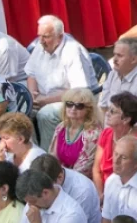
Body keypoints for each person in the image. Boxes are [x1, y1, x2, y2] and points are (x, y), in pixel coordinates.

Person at [25, 15, 98, 151]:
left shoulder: (72, 51)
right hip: (43, 97)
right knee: (23, 108)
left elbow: (78, 92)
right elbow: (31, 74)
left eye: (46, 36)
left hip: (75, 101)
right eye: (39, 36)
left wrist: (46, 101)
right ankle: (32, 152)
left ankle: (48, 158)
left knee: (45, 114)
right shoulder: (40, 46)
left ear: (59, 37)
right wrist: (32, 95)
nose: (41, 41)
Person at [95, 92, 137, 199]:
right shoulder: (106, 133)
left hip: (128, 195)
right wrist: (100, 194)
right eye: (108, 109)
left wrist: (107, 196)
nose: (107, 113)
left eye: (112, 111)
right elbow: (96, 169)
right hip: (103, 192)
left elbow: (132, 179)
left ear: (126, 119)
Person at [97, 40, 137, 134]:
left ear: (134, 59)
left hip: (130, 140)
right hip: (108, 134)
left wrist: (116, 140)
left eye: (120, 56)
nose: (114, 59)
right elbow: (103, 108)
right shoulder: (113, 74)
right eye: (114, 54)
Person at [48, 88, 102, 178]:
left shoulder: (93, 134)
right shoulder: (61, 127)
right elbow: (53, 158)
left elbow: (84, 169)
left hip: (80, 180)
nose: (73, 108)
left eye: (79, 106)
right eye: (69, 104)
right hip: (60, 177)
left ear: (88, 110)